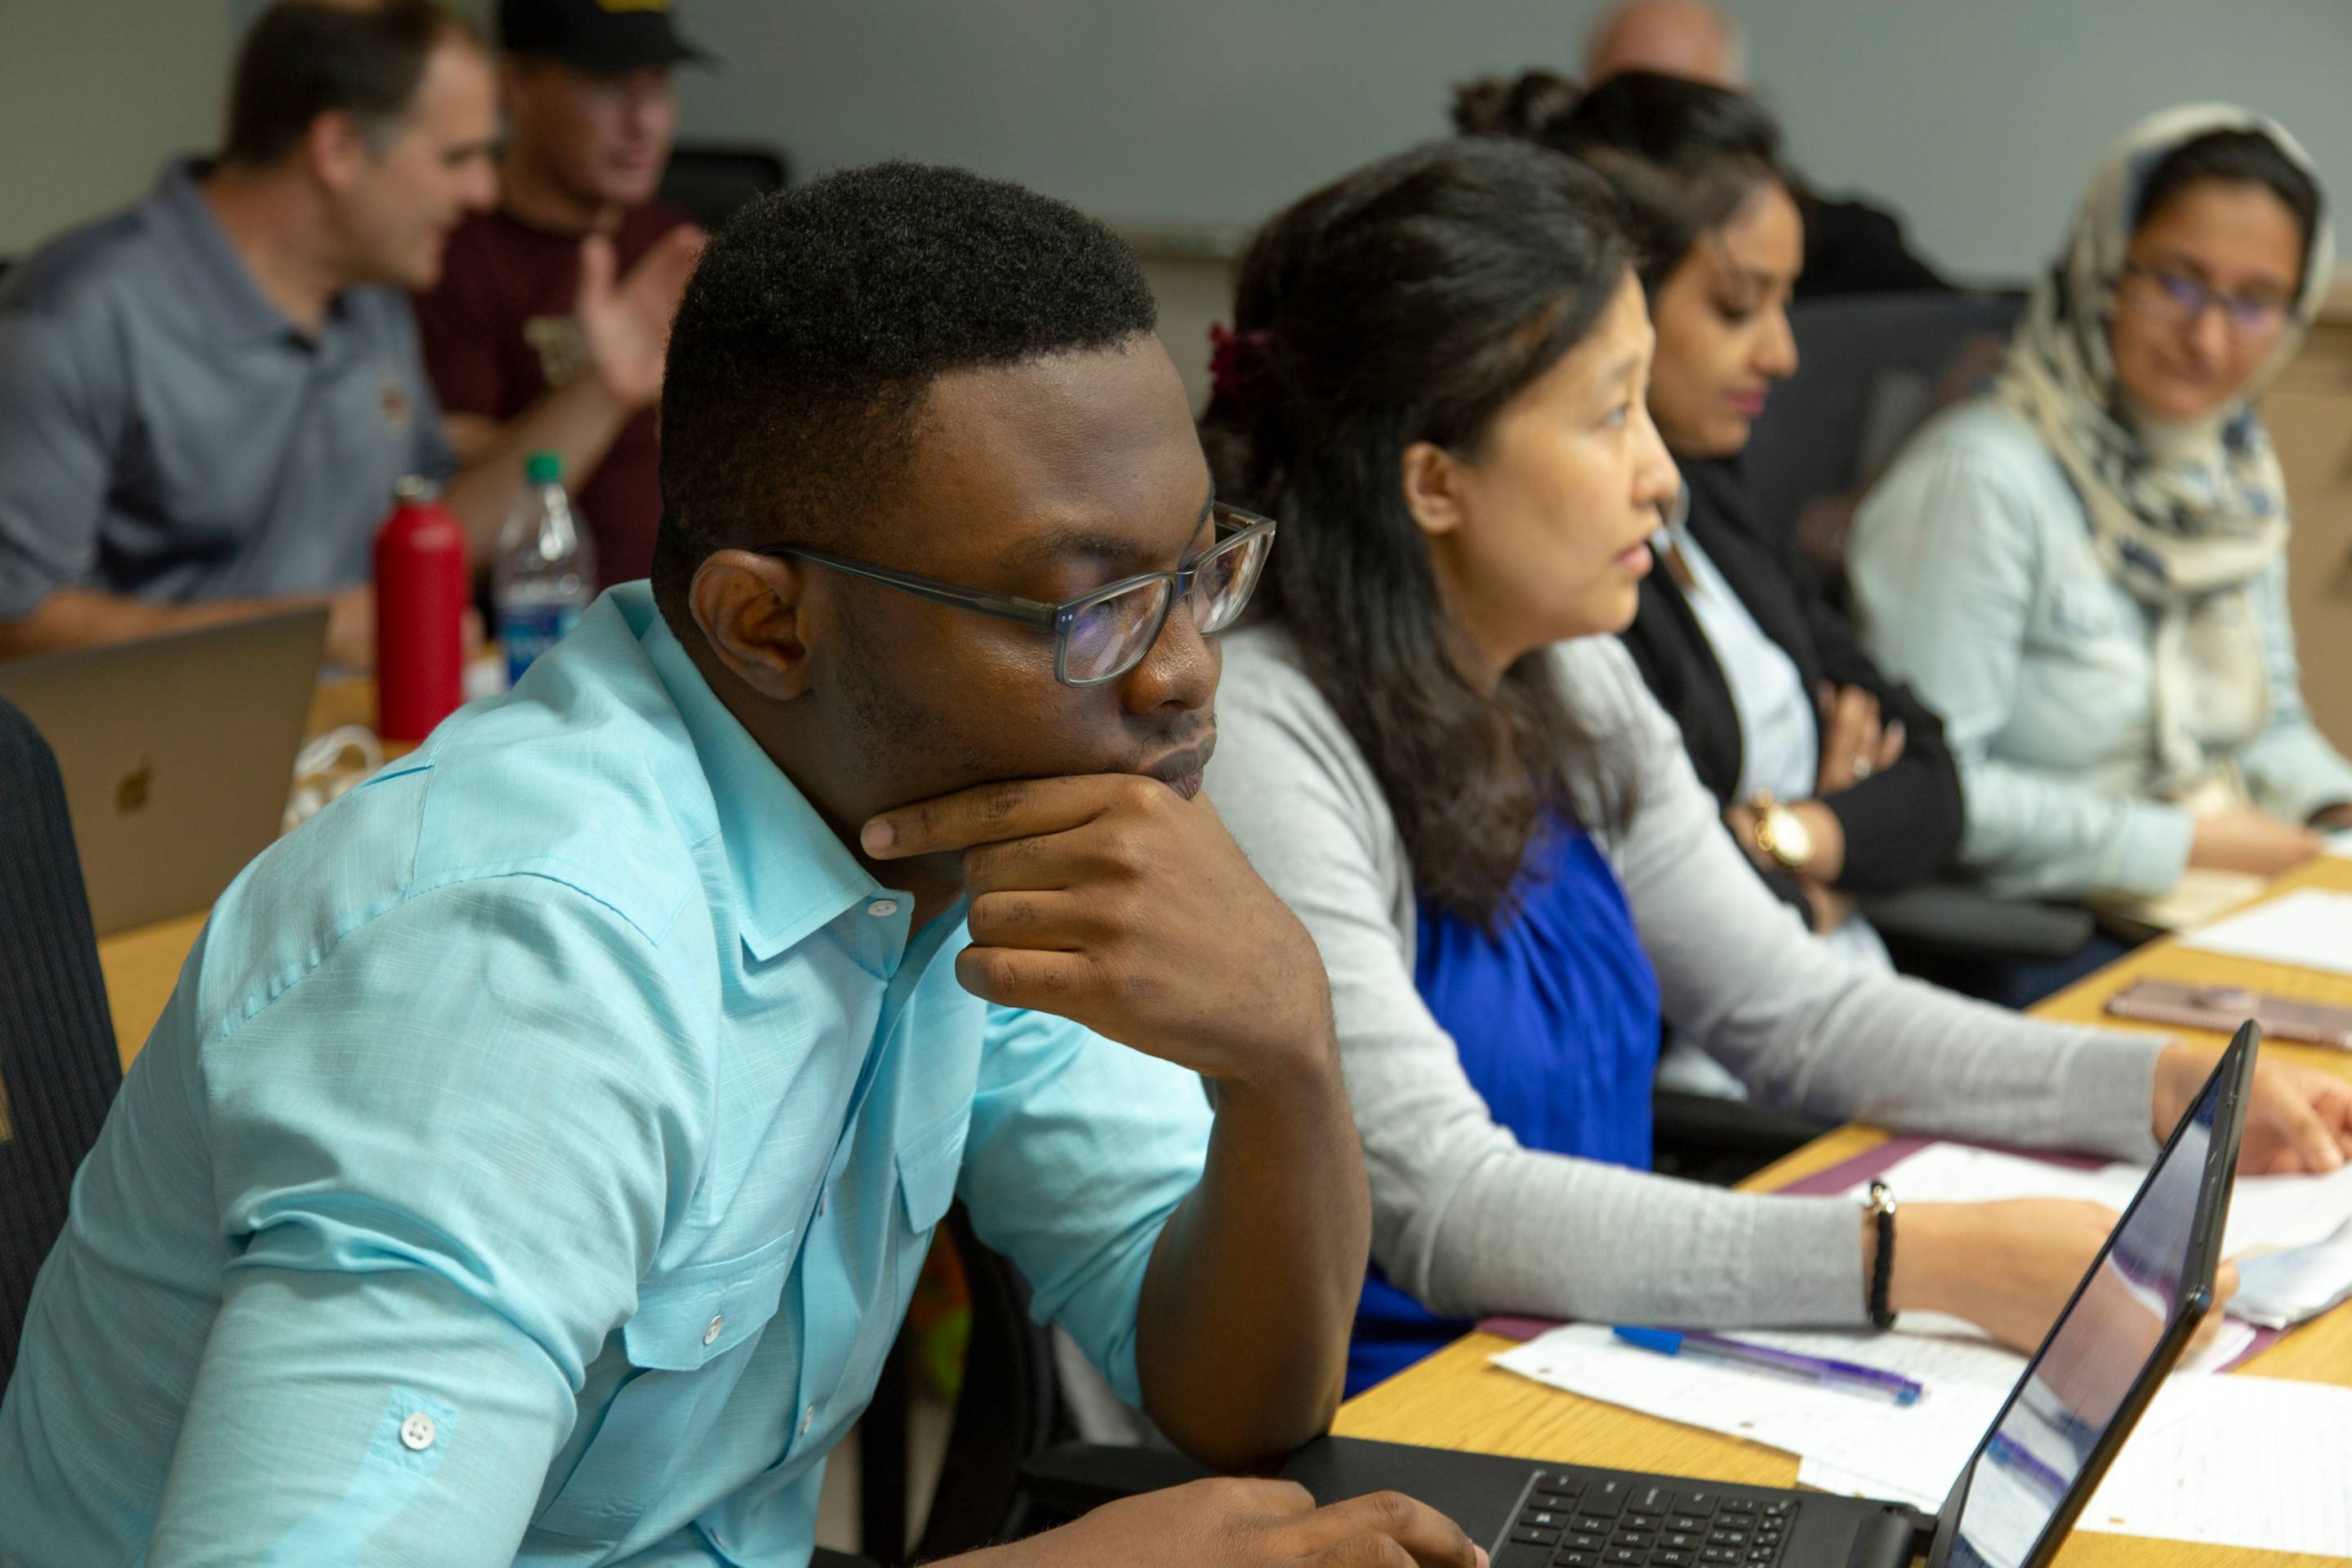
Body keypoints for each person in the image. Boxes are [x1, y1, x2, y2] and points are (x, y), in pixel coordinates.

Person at [0, 164, 1486, 1568]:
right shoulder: (518, 966)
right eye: (1086, 608)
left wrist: (1284, 1061)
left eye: (1194, 574)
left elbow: (1232, 1403)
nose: (1179, 674)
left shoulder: (969, 824)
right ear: (767, 625)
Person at [1195, 135, 2352, 1395]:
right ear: (1432, 481)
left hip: (1586, 1354)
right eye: (1610, 414)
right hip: (1415, 1410)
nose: (1660, 477)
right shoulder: (1270, 730)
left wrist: (2160, 1083)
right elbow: (1450, 1205)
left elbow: (1796, 1011)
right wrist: (1922, 1259)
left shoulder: (1558, 666)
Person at [1454, 69, 1965, 1011]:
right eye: (1738, 307)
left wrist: (1787, 835)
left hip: (1844, 1004)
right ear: (1621, 299)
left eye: (1785, 303)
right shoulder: (1562, 570)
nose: (1783, 352)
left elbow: (1931, 774)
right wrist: (1818, 849)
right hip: (1733, 1065)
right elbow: (1663, 901)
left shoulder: (1717, 499)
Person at [0, 1, 687, 665]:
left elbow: (441, 528)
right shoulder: (81, 312)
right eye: (457, 159)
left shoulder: (371, 299)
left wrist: (603, 389)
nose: (482, 192)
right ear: (338, 148)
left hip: (360, 753)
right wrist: (314, 633)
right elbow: (17, 619)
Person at [1848, 107, 2352, 914]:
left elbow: (2270, 728)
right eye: (2177, 282)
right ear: (2106, 265)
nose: (2209, 338)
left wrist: (2333, 812)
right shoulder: (1982, 477)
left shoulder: (2232, 482)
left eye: (2256, 302)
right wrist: (2181, 843)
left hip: (2214, 886)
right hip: (2044, 926)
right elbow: (1932, 791)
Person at [412, 0, 710, 587]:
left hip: (699, 635)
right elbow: (452, 502)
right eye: (607, 87)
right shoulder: (438, 251)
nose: (643, 122)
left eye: (658, 87)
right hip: (542, 644)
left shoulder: (677, 247)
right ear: (517, 86)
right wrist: (601, 390)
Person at [1579, 0, 1946, 300]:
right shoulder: (1562, 250)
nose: (1779, 356)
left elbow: (1954, 324)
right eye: (1734, 310)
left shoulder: (1843, 245)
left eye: (1693, 109)